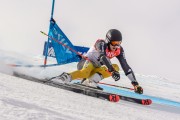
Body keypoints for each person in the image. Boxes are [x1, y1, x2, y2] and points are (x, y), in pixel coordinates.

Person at [57, 29, 143, 94]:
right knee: (86, 72)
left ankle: (91, 81)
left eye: (118, 43)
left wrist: (135, 83)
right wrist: (112, 71)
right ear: (108, 41)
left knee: (116, 67)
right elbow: (103, 57)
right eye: (114, 43)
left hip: (96, 68)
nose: (116, 46)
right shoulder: (101, 43)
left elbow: (125, 66)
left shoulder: (119, 50)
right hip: (85, 63)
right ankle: (65, 77)